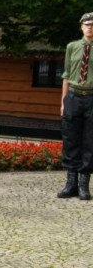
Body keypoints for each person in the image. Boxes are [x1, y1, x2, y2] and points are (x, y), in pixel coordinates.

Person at [57, 12, 93, 200]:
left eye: (92, 24)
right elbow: (66, 74)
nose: (90, 27)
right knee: (70, 138)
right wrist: (64, 101)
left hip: (91, 98)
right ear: (81, 26)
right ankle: (70, 184)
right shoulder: (72, 47)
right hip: (73, 97)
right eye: (86, 24)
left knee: (90, 140)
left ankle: (83, 186)